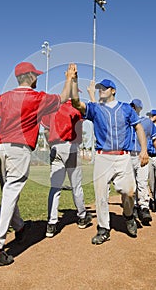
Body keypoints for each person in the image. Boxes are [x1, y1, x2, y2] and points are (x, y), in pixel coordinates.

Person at [0, 61, 77, 267]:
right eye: (35, 75)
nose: (37, 77)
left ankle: (19, 228)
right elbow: (63, 97)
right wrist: (69, 78)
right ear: (31, 77)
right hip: (19, 150)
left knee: (9, 193)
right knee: (10, 195)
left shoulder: (5, 97)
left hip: (0, 150)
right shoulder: (37, 98)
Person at [71, 76, 149, 245]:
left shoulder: (126, 109)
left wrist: (144, 149)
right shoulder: (95, 108)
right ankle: (103, 228)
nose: (101, 90)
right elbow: (77, 104)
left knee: (129, 192)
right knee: (100, 195)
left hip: (123, 156)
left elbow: (138, 127)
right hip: (102, 156)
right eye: (99, 88)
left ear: (113, 90)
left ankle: (128, 217)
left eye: (104, 88)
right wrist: (73, 81)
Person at [41, 94, 92, 238]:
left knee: (55, 187)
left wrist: (52, 144)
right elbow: (92, 112)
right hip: (71, 147)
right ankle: (82, 216)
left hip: (55, 147)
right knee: (76, 185)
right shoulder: (76, 107)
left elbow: (45, 130)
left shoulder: (52, 107)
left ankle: (51, 224)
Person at [129, 99, 156, 225]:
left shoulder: (147, 122)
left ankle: (144, 208)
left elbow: (155, 140)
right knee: (131, 185)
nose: (132, 108)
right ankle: (134, 207)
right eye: (131, 106)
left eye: (134, 106)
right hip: (127, 156)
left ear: (139, 108)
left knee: (142, 182)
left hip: (143, 155)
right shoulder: (125, 121)